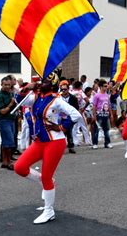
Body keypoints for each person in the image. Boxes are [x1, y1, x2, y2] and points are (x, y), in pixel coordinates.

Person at [14, 75, 83, 224]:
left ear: (52, 84)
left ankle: (49, 210)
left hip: (55, 142)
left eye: (45, 81)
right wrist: (26, 88)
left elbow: (76, 115)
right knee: (19, 167)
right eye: (41, 81)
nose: (41, 83)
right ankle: (46, 182)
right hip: (39, 141)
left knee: (46, 176)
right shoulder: (36, 97)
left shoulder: (56, 100)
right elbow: (19, 101)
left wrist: (62, 127)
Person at [0, 76, 18, 170]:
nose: (7, 87)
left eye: (9, 85)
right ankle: (8, 162)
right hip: (4, 121)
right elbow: (2, 111)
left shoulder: (10, 93)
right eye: (5, 85)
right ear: (1, 84)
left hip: (11, 120)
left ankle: (5, 161)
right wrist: (11, 104)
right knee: (9, 142)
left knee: (7, 142)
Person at [91, 79, 113, 149]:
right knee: (96, 130)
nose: (106, 87)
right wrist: (94, 115)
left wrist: (111, 114)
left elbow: (109, 105)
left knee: (106, 130)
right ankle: (95, 143)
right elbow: (94, 106)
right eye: (105, 86)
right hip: (99, 115)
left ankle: (107, 143)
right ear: (101, 87)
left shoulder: (107, 95)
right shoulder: (97, 95)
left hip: (106, 115)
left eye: (106, 86)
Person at [59, 82, 79, 154]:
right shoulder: (58, 98)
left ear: (68, 89)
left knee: (69, 132)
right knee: (61, 133)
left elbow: (76, 108)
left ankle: (71, 147)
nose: (64, 91)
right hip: (60, 117)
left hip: (69, 117)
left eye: (65, 89)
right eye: (62, 89)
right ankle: (60, 148)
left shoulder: (73, 98)